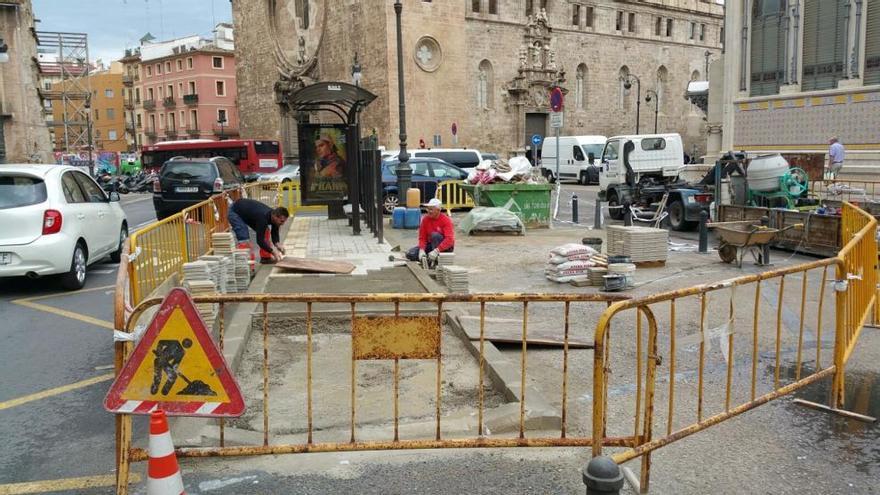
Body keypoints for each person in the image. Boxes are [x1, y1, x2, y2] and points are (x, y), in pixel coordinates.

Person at [228, 198, 290, 263]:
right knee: (244, 238)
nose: (283, 224)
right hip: (235, 211)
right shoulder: (263, 218)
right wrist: (273, 252)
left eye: (284, 221)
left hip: (247, 212)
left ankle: (265, 258)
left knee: (266, 231)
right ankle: (242, 265)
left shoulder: (273, 214)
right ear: (275, 217)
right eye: (282, 221)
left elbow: (274, 231)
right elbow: (260, 241)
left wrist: (277, 244)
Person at [406, 198, 455, 264]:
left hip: (445, 248)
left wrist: (437, 250)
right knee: (410, 254)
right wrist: (421, 249)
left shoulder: (446, 220)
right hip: (431, 245)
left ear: (438, 210)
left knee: (435, 235)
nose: (429, 211)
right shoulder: (425, 220)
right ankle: (428, 259)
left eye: (431, 209)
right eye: (428, 209)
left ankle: (436, 260)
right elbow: (422, 237)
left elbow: (449, 239)